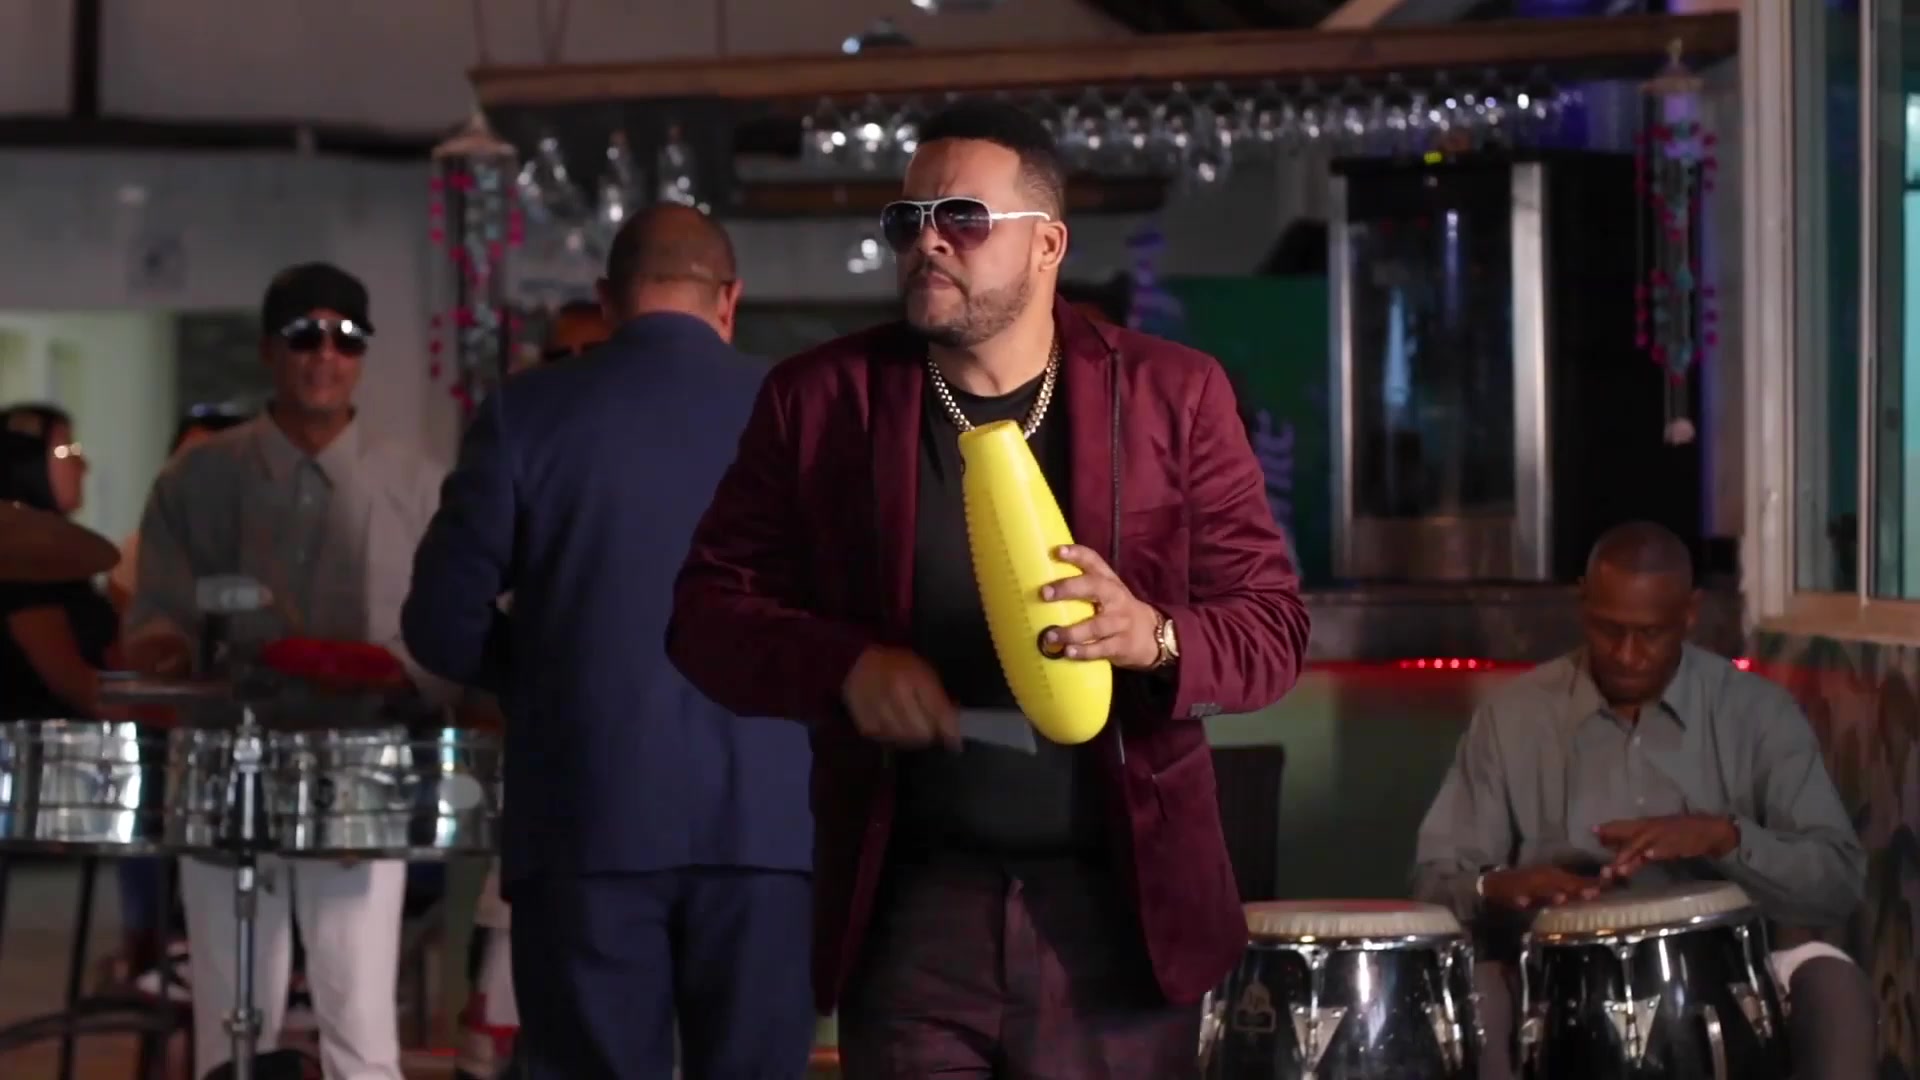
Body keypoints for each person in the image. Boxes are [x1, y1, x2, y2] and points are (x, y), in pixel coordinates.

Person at [667, 99, 1311, 1077]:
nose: (927, 241)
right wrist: (845, 667)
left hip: (1118, 910)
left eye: (962, 218)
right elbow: (706, 615)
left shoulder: (1171, 395)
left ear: (1047, 243)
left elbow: (1272, 629)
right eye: (908, 220)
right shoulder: (822, 401)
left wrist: (1154, 635)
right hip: (913, 906)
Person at [402, 205, 814, 1080]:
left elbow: (439, 620)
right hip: (769, 827)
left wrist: (547, 671)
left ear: (607, 299)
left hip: (585, 817)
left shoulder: (527, 413)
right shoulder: (804, 412)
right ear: (730, 299)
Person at [124, 262, 455, 1080]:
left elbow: (444, 635)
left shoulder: (415, 484)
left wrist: (397, 674)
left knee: (359, 1023)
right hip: (224, 762)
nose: (325, 355)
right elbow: (156, 613)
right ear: (269, 349)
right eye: (305, 336)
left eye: (348, 338)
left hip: (360, 766)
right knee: (233, 1022)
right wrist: (167, 650)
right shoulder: (201, 477)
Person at [1412, 521, 1876, 1080]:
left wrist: (1723, 837)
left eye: (1651, 634)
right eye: (1608, 630)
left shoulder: (1758, 713)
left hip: (1732, 977)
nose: (1627, 655)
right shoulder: (1512, 718)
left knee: (1834, 987)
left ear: (1689, 613)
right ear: (1583, 603)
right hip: (1552, 984)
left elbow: (1838, 882)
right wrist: (1497, 886)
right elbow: (1432, 883)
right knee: (1477, 996)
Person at [450, 300, 610, 1080]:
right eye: (559, 357)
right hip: (543, 789)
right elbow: (452, 624)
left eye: (592, 355)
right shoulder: (519, 466)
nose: (574, 372)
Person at [105, 405, 252, 990]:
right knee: (147, 764)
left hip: (251, 726)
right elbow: (141, 654)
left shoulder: (271, 547)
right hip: (171, 727)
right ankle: (155, 941)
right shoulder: (141, 550)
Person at [0, 404, 119, 720]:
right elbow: (79, 687)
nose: (83, 465)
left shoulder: (61, 565)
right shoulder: (20, 569)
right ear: (26, 463)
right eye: (67, 451)